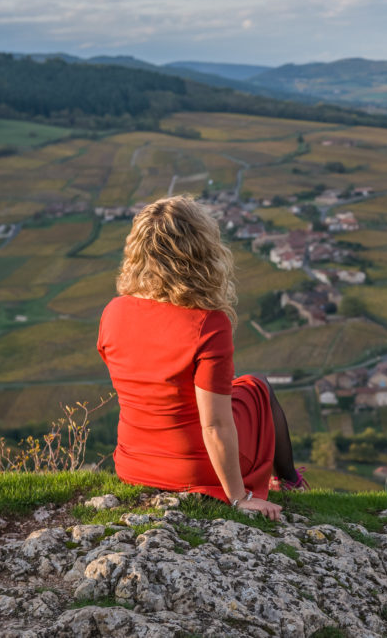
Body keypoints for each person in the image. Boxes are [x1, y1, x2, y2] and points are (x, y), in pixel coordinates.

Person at [97, 196, 306, 520]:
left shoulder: (113, 312)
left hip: (133, 463)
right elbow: (215, 424)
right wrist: (239, 498)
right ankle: (291, 482)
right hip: (197, 469)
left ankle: (289, 481)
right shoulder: (207, 324)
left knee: (241, 389)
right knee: (258, 386)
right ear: (200, 252)